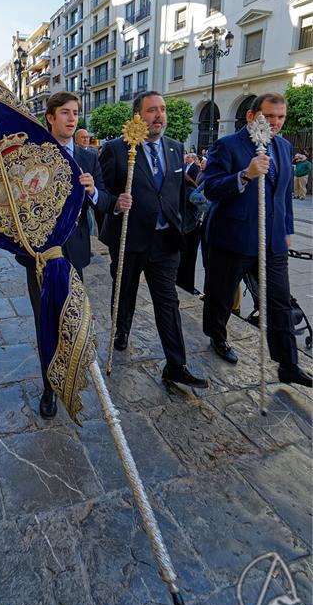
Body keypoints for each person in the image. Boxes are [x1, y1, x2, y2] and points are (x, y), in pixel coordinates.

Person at [99, 91, 208, 388]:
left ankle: (176, 364)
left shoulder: (175, 148)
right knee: (124, 292)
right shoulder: (116, 149)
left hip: (164, 242)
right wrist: (116, 203)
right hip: (129, 239)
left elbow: (176, 193)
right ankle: (121, 329)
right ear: (138, 116)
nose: (159, 115)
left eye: (162, 110)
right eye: (151, 110)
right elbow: (103, 195)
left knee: (167, 303)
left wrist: (184, 223)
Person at [202, 92, 311, 387]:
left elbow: (284, 194)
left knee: (279, 303)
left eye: (281, 117)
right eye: (269, 116)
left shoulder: (284, 146)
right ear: (251, 116)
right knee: (221, 296)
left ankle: (288, 364)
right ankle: (218, 337)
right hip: (233, 238)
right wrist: (245, 175)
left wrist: (287, 229)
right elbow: (210, 188)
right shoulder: (227, 146)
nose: (275, 123)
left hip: (273, 242)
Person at [19, 92, 111, 418]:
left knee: (71, 320)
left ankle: (71, 375)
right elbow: (22, 205)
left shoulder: (88, 158)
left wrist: (93, 191)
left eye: (75, 113)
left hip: (75, 253)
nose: (72, 119)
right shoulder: (33, 156)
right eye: (65, 113)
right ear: (50, 117)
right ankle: (49, 385)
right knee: (46, 321)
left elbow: (105, 200)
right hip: (42, 257)